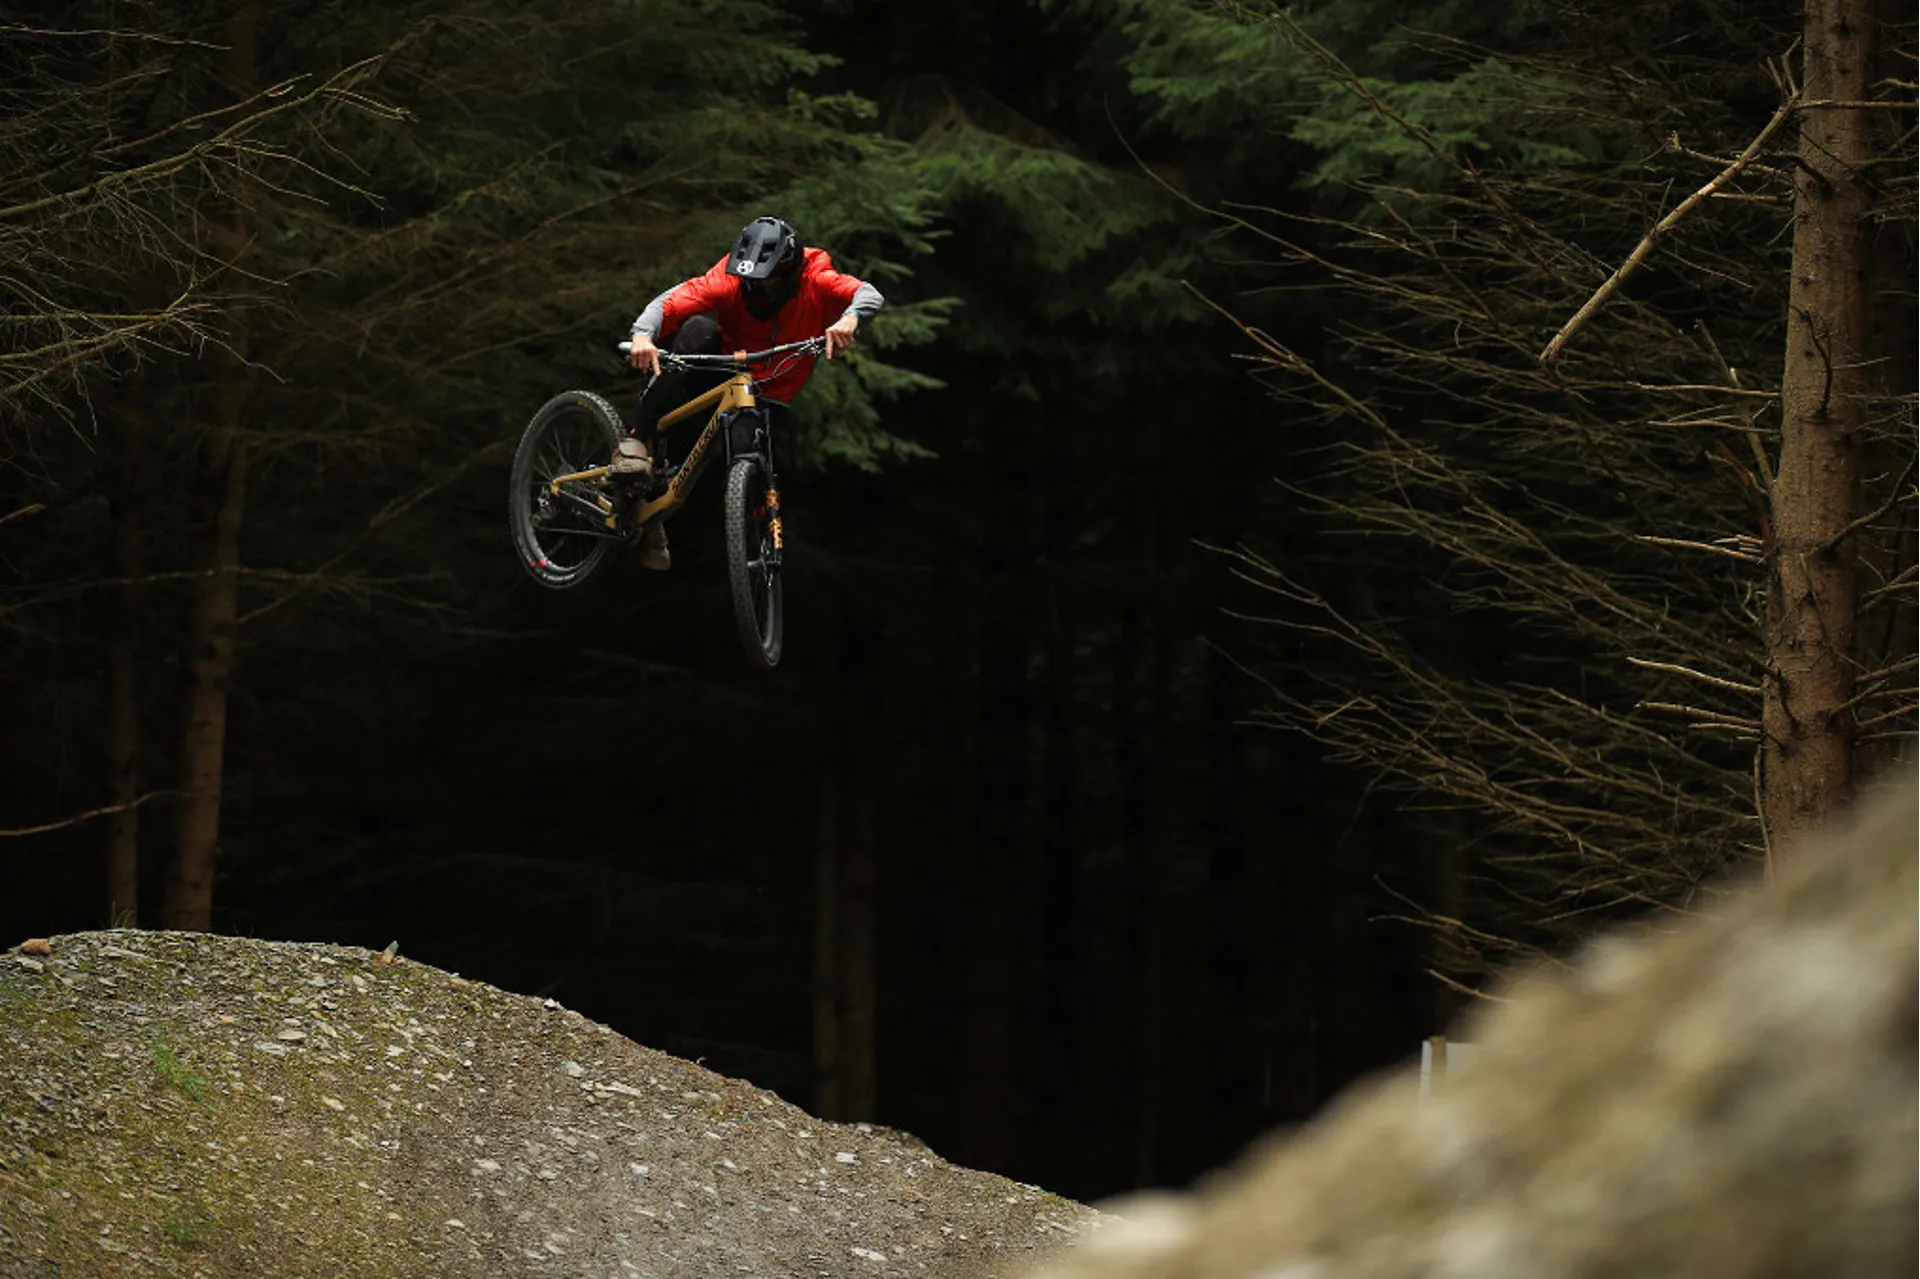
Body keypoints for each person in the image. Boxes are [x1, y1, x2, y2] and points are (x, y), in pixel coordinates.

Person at [618, 215, 885, 570]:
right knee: (695, 329)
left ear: (790, 275)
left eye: (766, 282)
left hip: (768, 394)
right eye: (749, 281)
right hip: (723, 373)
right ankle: (636, 440)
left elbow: (868, 294)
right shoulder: (728, 280)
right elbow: (670, 302)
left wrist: (850, 319)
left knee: (740, 457)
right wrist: (642, 336)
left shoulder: (816, 279)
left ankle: (655, 511)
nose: (755, 290)